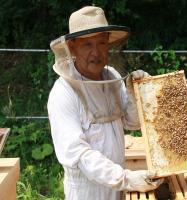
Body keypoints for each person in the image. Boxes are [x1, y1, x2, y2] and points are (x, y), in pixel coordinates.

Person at [47, 6, 162, 200]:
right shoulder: (63, 93)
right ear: (72, 46)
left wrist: (136, 95)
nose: (96, 52)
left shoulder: (112, 77)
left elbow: (131, 123)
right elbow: (78, 153)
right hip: (87, 191)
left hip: (117, 186)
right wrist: (126, 178)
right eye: (87, 45)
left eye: (101, 43)